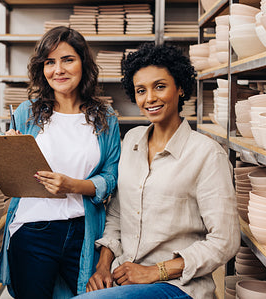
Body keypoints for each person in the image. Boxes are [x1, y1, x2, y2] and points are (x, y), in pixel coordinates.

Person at [75, 43, 240, 299]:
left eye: (160, 86)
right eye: (141, 90)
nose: (150, 98)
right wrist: (103, 266)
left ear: (181, 88)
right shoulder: (131, 141)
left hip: (178, 286)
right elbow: (117, 213)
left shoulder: (207, 154)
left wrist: (156, 271)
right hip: (124, 276)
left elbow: (225, 240)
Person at [0, 26, 121, 298]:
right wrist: (10, 150)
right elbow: (13, 178)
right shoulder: (27, 112)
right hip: (33, 230)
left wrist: (74, 185)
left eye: (67, 59)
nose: (58, 69)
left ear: (83, 64)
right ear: (42, 69)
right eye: (50, 62)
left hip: (84, 232)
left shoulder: (105, 117)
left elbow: (112, 177)